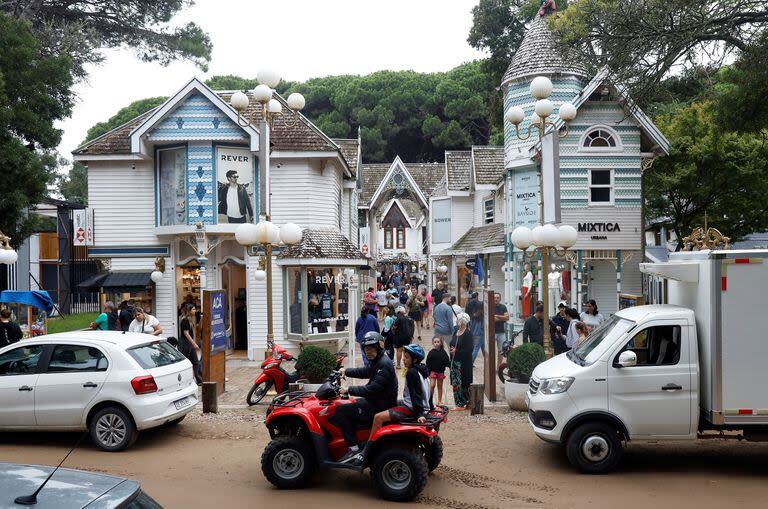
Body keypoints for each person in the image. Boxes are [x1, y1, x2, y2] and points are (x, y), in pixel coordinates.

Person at [333, 332, 398, 464]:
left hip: (378, 405)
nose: (368, 351)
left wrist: (348, 389)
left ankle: (353, 448)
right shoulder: (378, 361)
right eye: (365, 349)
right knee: (349, 404)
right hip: (377, 401)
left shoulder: (384, 364)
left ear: (379, 347)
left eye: (371, 348)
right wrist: (345, 371)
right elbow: (365, 372)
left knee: (340, 411)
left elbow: (371, 389)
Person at [369, 344, 430, 436]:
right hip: (417, 405)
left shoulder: (412, 372)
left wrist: (420, 414)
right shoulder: (422, 370)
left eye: (406, 357)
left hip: (412, 408)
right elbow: (428, 391)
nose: (403, 359)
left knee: (378, 417)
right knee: (388, 403)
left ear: (415, 360)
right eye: (403, 356)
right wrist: (431, 406)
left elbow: (415, 394)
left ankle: (369, 448)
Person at [450, 313, 473, 410]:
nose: (456, 321)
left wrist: (457, 351)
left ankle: (463, 403)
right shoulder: (456, 331)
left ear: (462, 322)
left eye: (457, 320)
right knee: (456, 383)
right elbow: (452, 343)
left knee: (463, 383)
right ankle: (459, 403)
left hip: (463, 363)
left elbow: (469, 349)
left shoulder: (467, 334)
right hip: (455, 362)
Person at [179, 303, 202, 384]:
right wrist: (194, 344)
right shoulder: (184, 320)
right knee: (187, 363)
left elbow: (198, 328)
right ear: (189, 311)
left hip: (189, 344)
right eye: (193, 309)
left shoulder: (191, 319)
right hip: (185, 344)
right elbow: (186, 333)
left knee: (195, 362)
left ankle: (198, 379)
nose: (195, 310)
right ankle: (188, 380)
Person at [426, 336, 450, 407]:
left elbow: (446, 361)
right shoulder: (431, 352)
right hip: (432, 371)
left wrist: (450, 365)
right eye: (435, 342)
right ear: (433, 343)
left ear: (440, 343)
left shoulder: (443, 352)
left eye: (438, 342)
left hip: (440, 372)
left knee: (440, 386)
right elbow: (428, 362)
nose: (436, 343)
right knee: (432, 385)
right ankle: (430, 400)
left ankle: (440, 401)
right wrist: (428, 372)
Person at [466, 292, 485, 363]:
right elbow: (482, 327)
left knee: (483, 348)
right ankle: (470, 363)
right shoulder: (482, 317)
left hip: (474, 333)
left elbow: (470, 324)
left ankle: (487, 362)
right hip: (480, 334)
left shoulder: (473, 316)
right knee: (476, 349)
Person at [492, 293, 509, 357]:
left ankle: (498, 366)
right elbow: (492, 319)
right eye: (494, 298)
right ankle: (491, 366)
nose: (496, 299)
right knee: (491, 350)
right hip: (492, 332)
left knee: (502, 351)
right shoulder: (490, 307)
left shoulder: (503, 307)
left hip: (501, 332)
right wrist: (502, 318)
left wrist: (496, 316)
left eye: (497, 298)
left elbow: (507, 318)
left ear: (500, 299)